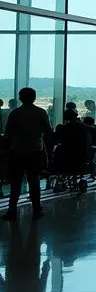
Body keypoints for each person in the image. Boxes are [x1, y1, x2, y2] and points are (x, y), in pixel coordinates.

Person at [3, 88, 53, 222]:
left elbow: (8, 134)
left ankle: (12, 210)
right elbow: (48, 131)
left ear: (20, 98)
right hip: (35, 151)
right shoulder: (41, 112)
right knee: (34, 182)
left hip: (17, 151)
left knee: (15, 183)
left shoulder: (15, 113)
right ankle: (37, 209)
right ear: (34, 98)